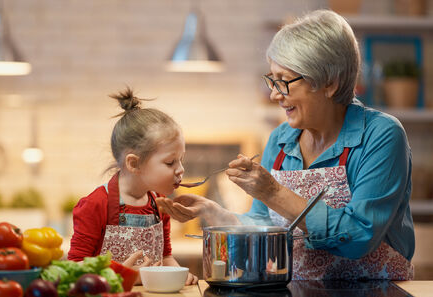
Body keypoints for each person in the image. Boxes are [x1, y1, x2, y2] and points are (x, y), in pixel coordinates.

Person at [157, 9, 414, 280]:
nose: (273, 94)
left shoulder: (381, 136)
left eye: (284, 81)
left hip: (378, 296)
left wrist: (274, 193)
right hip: (298, 294)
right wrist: (212, 211)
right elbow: (263, 225)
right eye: (272, 79)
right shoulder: (281, 140)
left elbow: (359, 237)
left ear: (330, 83)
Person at [68, 87, 198, 285]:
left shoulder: (160, 206)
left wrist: (179, 274)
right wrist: (120, 276)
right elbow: (75, 269)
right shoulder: (95, 205)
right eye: (170, 162)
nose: (180, 169)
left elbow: (166, 257)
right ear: (134, 163)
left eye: (181, 160)